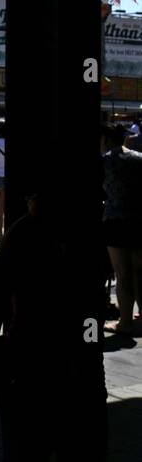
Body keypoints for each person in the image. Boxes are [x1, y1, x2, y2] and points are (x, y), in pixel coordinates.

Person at [0, 190, 105, 462]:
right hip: (74, 379)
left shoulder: (22, 235)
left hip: (27, 375)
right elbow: (91, 318)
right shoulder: (87, 236)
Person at [102, 123, 142, 335]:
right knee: (140, 272)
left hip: (115, 220)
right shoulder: (139, 157)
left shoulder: (105, 160)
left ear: (106, 140)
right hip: (139, 219)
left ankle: (124, 321)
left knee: (122, 273)